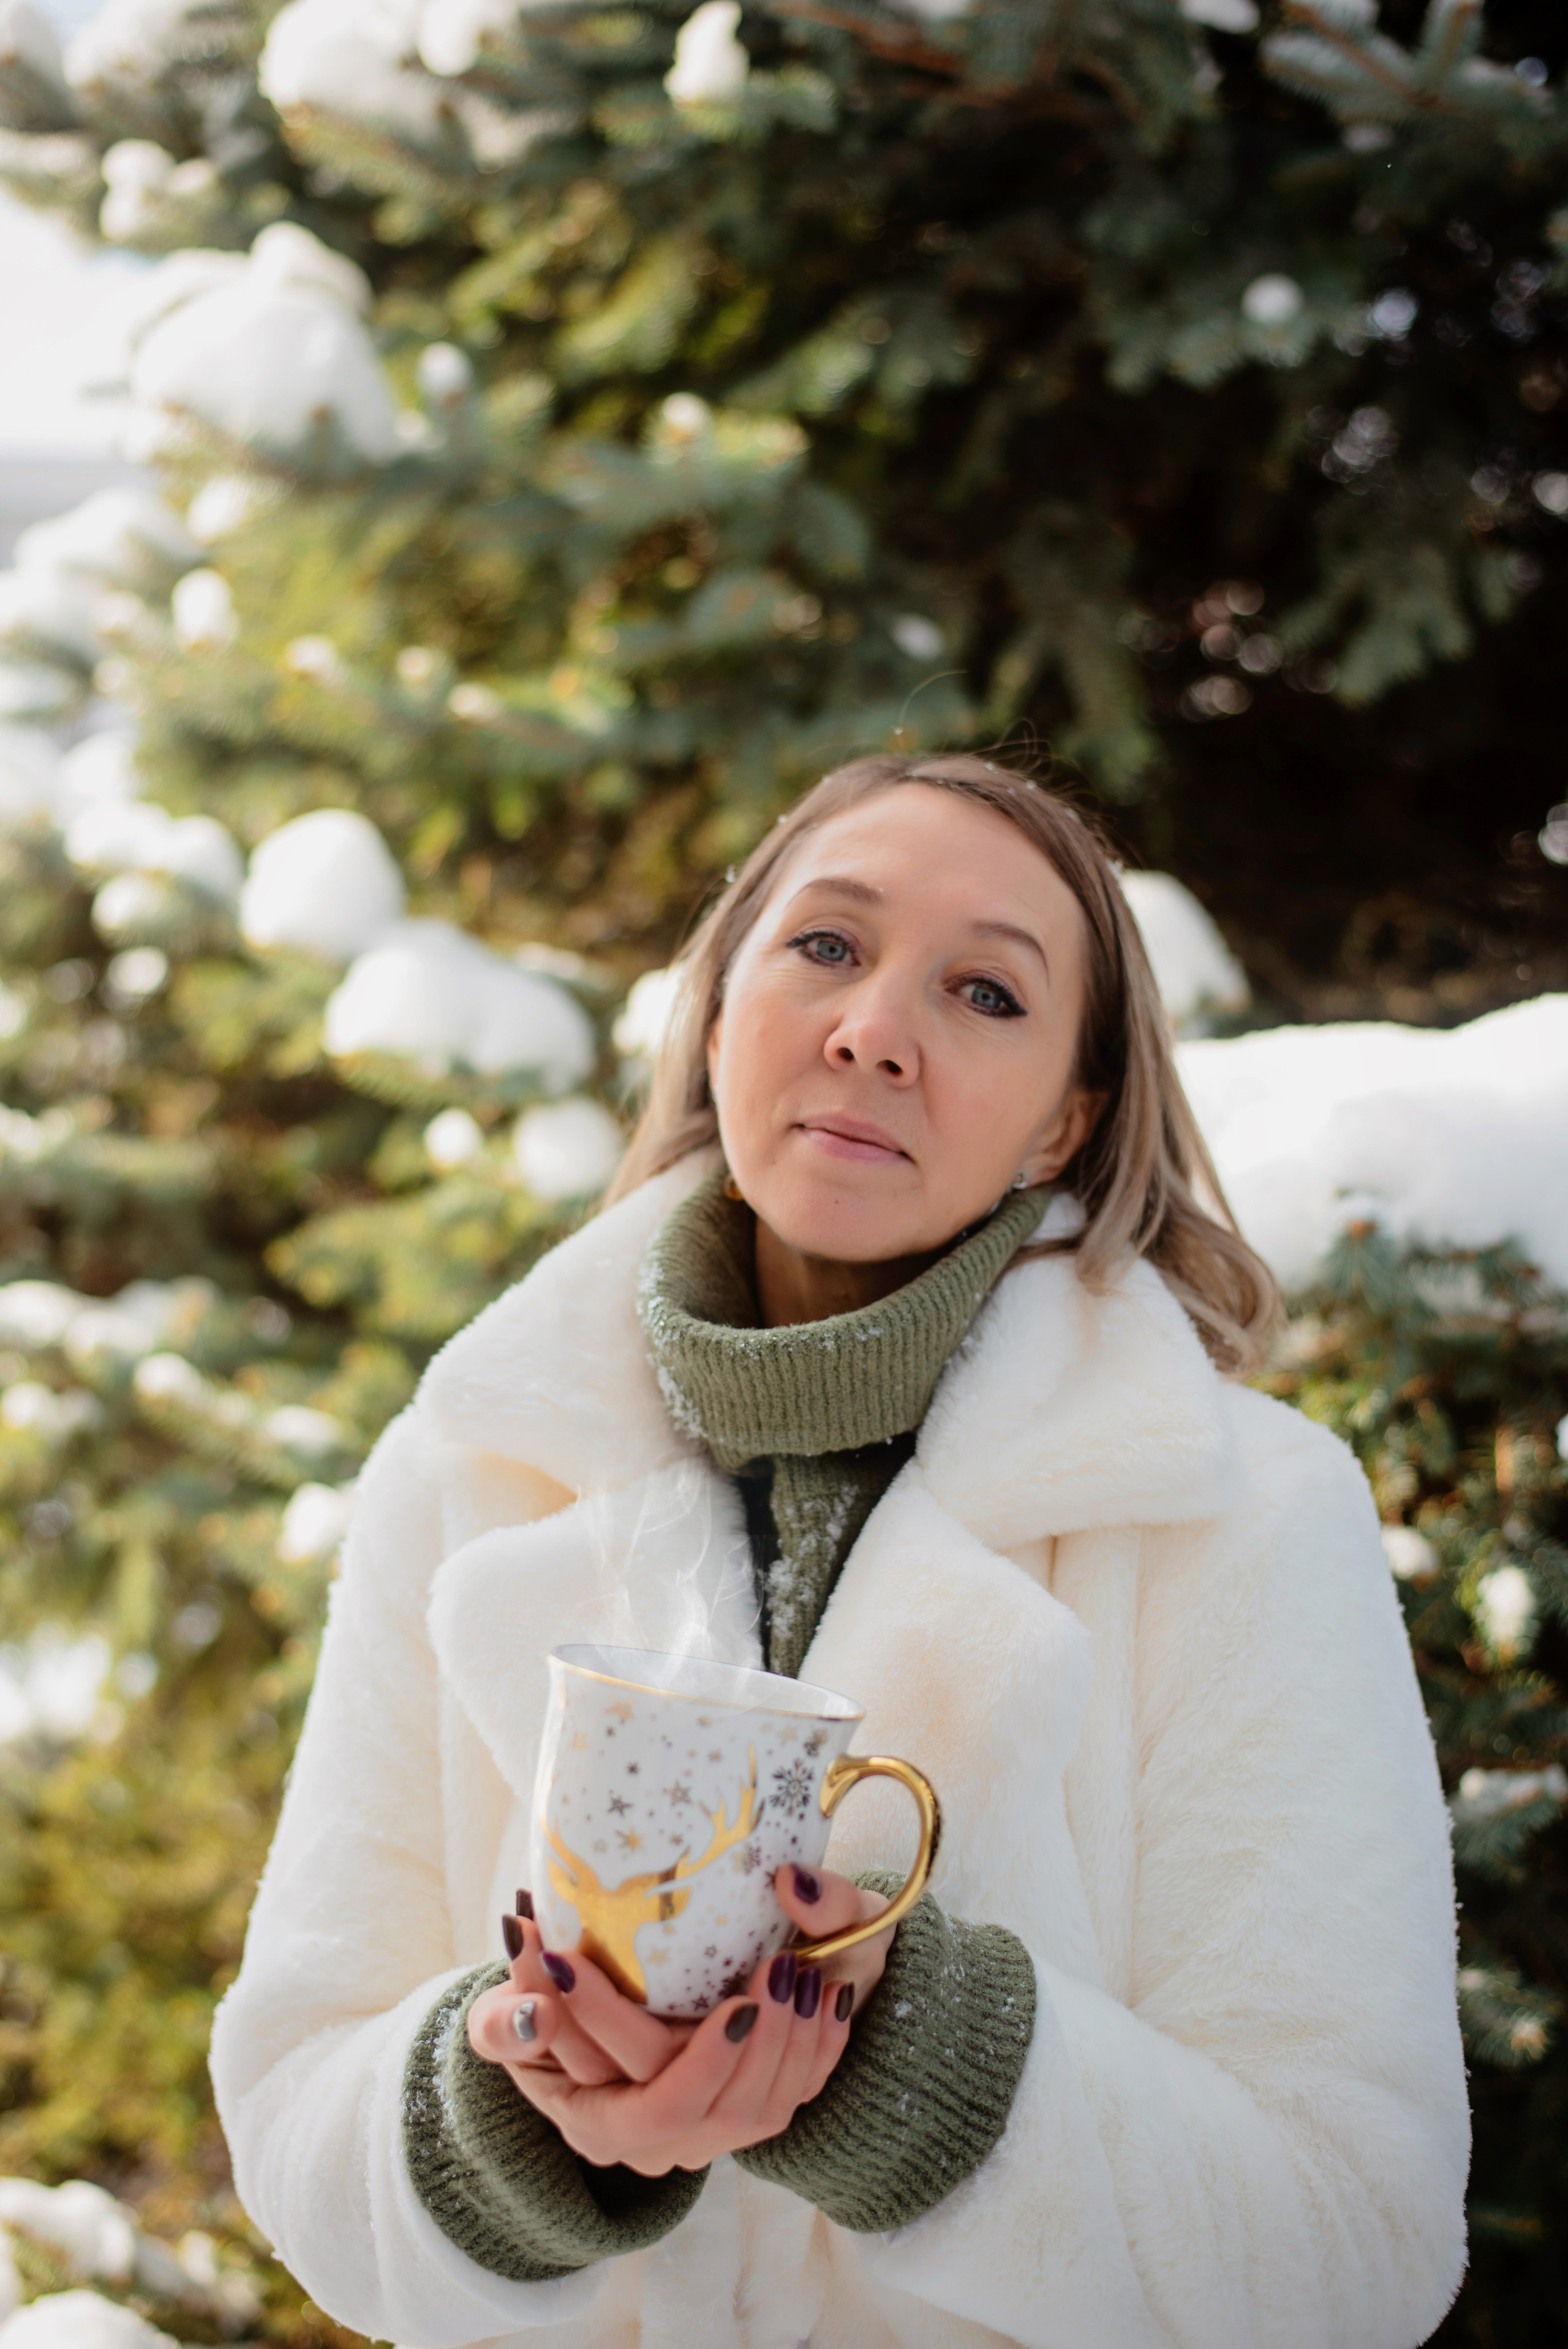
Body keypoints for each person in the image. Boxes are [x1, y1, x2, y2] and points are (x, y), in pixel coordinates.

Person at [211, 753, 1469, 2349]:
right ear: (720, 1004)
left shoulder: (1243, 1519)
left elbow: (1351, 2244)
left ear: (1061, 1123)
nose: (876, 1026)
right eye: (826, 945)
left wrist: (920, 2060)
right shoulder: (467, 1472)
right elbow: (300, 2111)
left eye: (986, 993)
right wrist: (519, 2111)